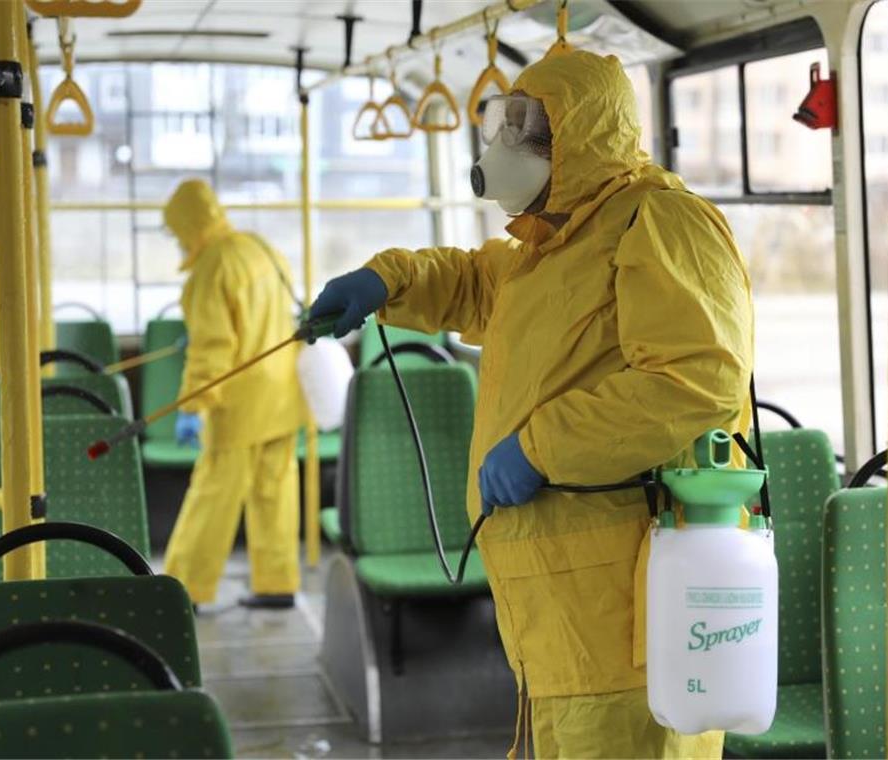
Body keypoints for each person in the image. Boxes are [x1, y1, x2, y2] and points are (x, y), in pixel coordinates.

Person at [309, 51, 754, 759]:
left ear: (586, 136)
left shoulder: (658, 222)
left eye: (531, 128)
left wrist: (541, 445)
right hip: (559, 610)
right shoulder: (551, 242)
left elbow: (697, 381)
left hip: (630, 616)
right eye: (506, 122)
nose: (507, 145)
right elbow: (472, 286)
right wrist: (385, 280)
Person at [162, 178, 305, 610]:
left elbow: (212, 350)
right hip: (282, 394)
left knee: (212, 497)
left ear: (188, 226)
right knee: (274, 494)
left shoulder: (211, 269)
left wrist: (193, 405)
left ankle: (183, 591)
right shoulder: (261, 248)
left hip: (239, 405)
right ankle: (277, 584)